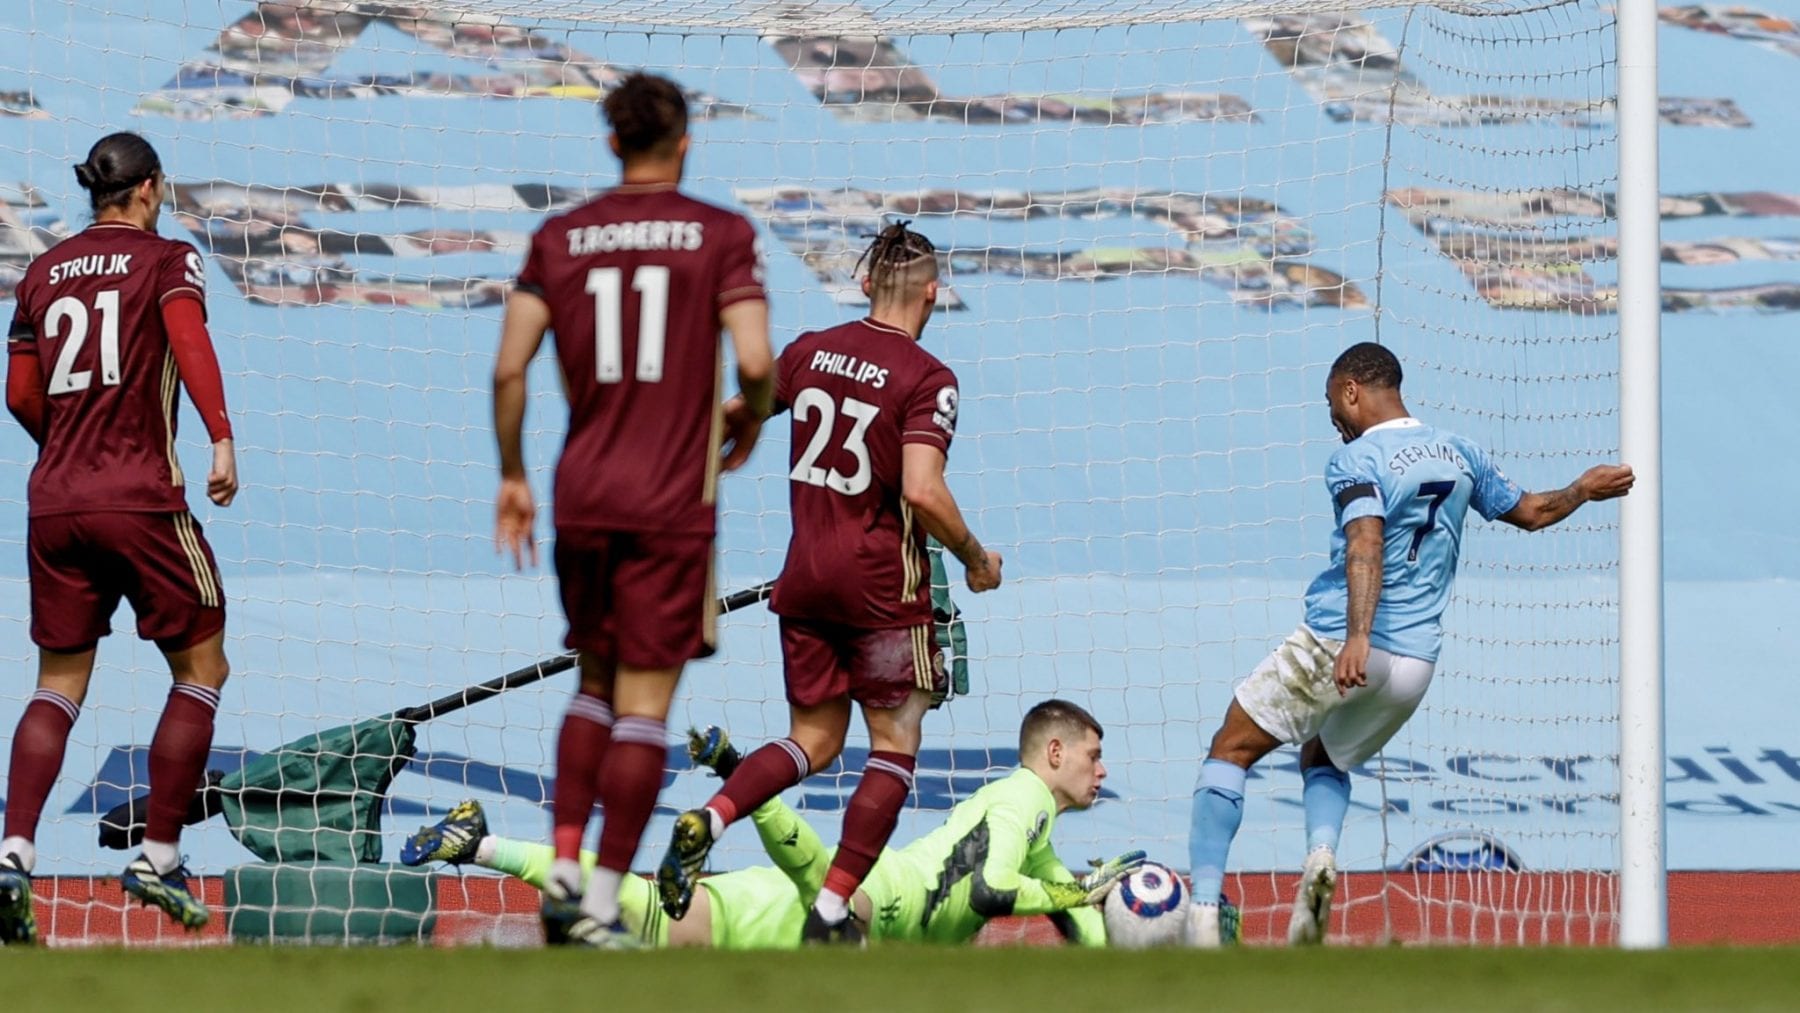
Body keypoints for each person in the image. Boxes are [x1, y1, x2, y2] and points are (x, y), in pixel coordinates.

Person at [1184, 342, 1634, 948]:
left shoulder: (1357, 460)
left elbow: (1365, 542)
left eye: (1331, 404)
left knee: (1229, 750)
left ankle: (1203, 916)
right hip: (1415, 665)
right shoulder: (1458, 450)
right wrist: (1581, 489)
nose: (1333, 420)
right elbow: (1530, 512)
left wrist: (1357, 637)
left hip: (1345, 642)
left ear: (1350, 392)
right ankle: (1320, 858)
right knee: (1324, 757)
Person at [655, 220, 1002, 943]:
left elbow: (733, 415)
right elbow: (922, 489)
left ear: (866, 283)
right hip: (881, 592)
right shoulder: (929, 378)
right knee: (894, 746)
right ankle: (833, 909)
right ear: (934, 293)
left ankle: (710, 816)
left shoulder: (811, 352)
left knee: (811, 739)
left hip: (804, 581)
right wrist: (973, 556)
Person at [490, 72, 773, 948]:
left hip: (583, 495)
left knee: (592, 682)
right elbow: (758, 362)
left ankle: (564, 867)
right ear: (686, 142)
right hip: (669, 502)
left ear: (610, 143)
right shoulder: (720, 234)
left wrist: (512, 474)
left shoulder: (560, 237)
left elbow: (509, 367)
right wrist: (749, 419)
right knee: (646, 704)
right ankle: (603, 903)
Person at [0, 132, 239, 943]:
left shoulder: (40, 272)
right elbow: (188, 340)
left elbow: (20, 394)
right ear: (147, 190)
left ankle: (14, 853)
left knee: (58, 682)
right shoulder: (168, 260)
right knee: (204, 664)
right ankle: (159, 853)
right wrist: (221, 435)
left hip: (55, 501)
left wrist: (69, 448)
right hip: (139, 496)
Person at [405, 700, 1135, 948]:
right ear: (1056, 750)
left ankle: (481, 839)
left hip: (772, 910)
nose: (1102, 771)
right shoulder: (1025, 799)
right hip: (887, 897)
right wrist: (1080, 898)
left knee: (644, 916)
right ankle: (739, 786)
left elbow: (1069, 903)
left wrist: (1094, 905)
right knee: (829, 893)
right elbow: (991, 892)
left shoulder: (1031, 817)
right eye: (1094, 756)